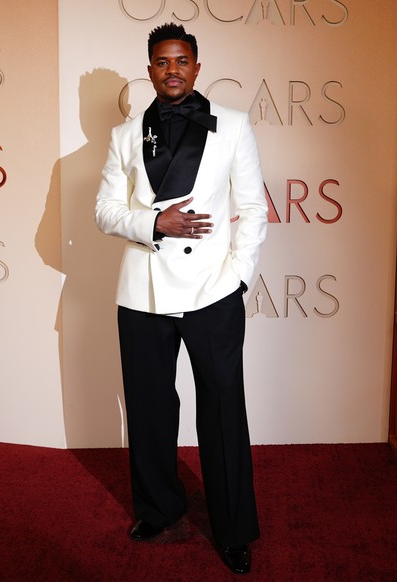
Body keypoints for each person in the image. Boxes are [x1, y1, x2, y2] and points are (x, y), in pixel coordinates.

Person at [94, 23, 267, 575]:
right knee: (148, 408)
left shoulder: (235, 127)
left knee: (222, 412)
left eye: (182, 60)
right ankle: (159, 508)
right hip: (141, 293)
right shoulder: (124, 137)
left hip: (213, 290)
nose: (172, 69)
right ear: (149, 70)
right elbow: (103, 211)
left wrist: (237, 277)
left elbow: (254, 210)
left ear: (197, 66)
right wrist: (154, 222)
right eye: (162, 62)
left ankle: (233, 528)